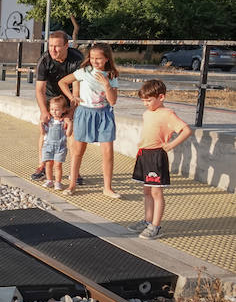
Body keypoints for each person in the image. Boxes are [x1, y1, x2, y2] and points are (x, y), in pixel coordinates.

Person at [128, 79, 192, 239]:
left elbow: (186, 130)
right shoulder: (147, 113)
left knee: (156, 192)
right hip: (144, 154)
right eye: (143, 100)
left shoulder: (168, 114)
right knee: (147, 190)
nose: (145, 104)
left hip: (156, 155)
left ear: (161, 97)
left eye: (148, 100)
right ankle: (147, 221)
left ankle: (156, 226)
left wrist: (171, 145)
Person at [58, 42, 120, 198]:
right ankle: (72, 185)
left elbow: (112, 101)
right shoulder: (84, 71)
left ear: (106, 59)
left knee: (108, 153)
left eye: (98, 58)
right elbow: (62, 82)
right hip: (85, 113)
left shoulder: (112, 75)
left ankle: (107, 188)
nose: (95, 61)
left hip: (104, 115)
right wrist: (72, 97)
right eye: (92, 58)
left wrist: (107, 85)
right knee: (78, 152)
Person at [33, 31, 83, 182]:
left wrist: (70, 114)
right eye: (50, 46)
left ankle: (75, 171)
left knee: (72, 133)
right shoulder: (44, 60)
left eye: (57, 47)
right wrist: (44, 111)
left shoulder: (77, 60)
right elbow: (39, 90)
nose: (53, 50)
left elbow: (77, 90)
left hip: (70, 97)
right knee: (45, 131)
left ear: (67, 46)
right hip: (51, 98)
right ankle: (42, 165)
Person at [41, 96, 74, 190]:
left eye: (57, 109)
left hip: (60, 147)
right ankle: (49, 180)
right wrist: (41, 124)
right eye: (51, 109)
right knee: (48, 164)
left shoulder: (64, 121)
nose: (54, 111)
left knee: (58, 165)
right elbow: (43, 133)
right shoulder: (49, 120)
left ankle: (58, 182)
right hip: (48, 146)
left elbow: (68, 134)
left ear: (63, 110)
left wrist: (70, 124)